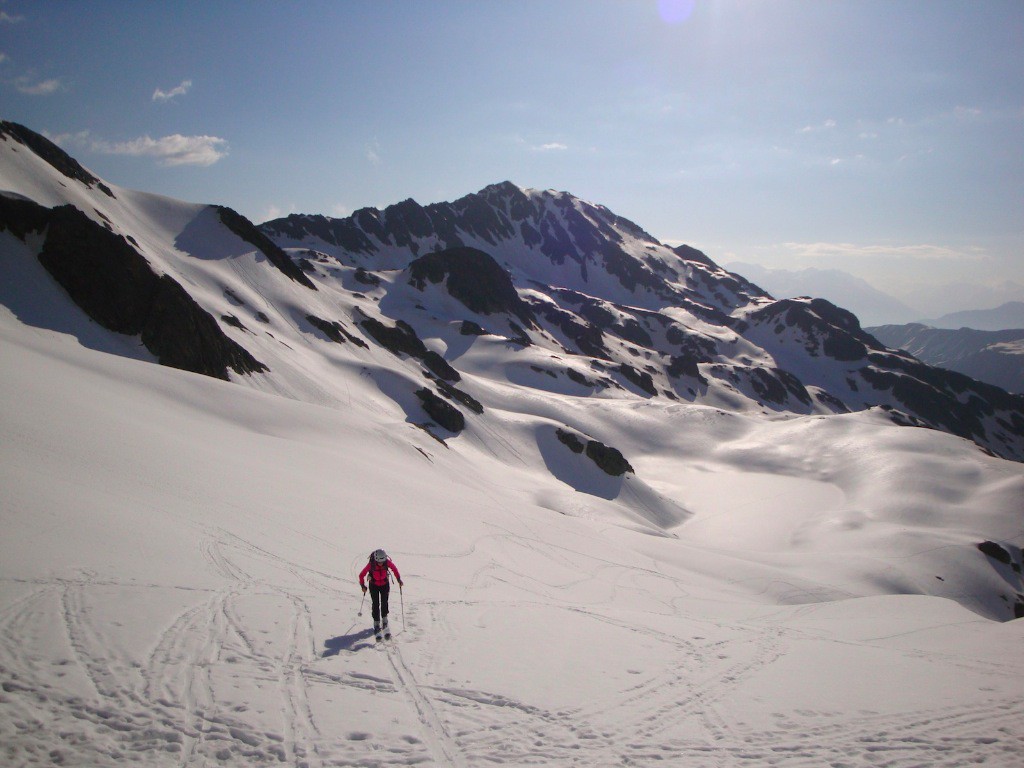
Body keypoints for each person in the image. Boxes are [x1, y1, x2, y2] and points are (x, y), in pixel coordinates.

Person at [359, 549, 403, 640]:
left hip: (384, 584)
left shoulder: (387, 562)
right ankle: (376, 622)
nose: (381, 564)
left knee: (384, 602)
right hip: (373, 585)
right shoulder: (371, 564)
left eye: (382, 562)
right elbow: (361, 575)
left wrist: (398, 579)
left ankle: (384, 619)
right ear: (376, 559)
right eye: (379, 562)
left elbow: (394, 569)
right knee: (375, 603)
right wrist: (362, 585)